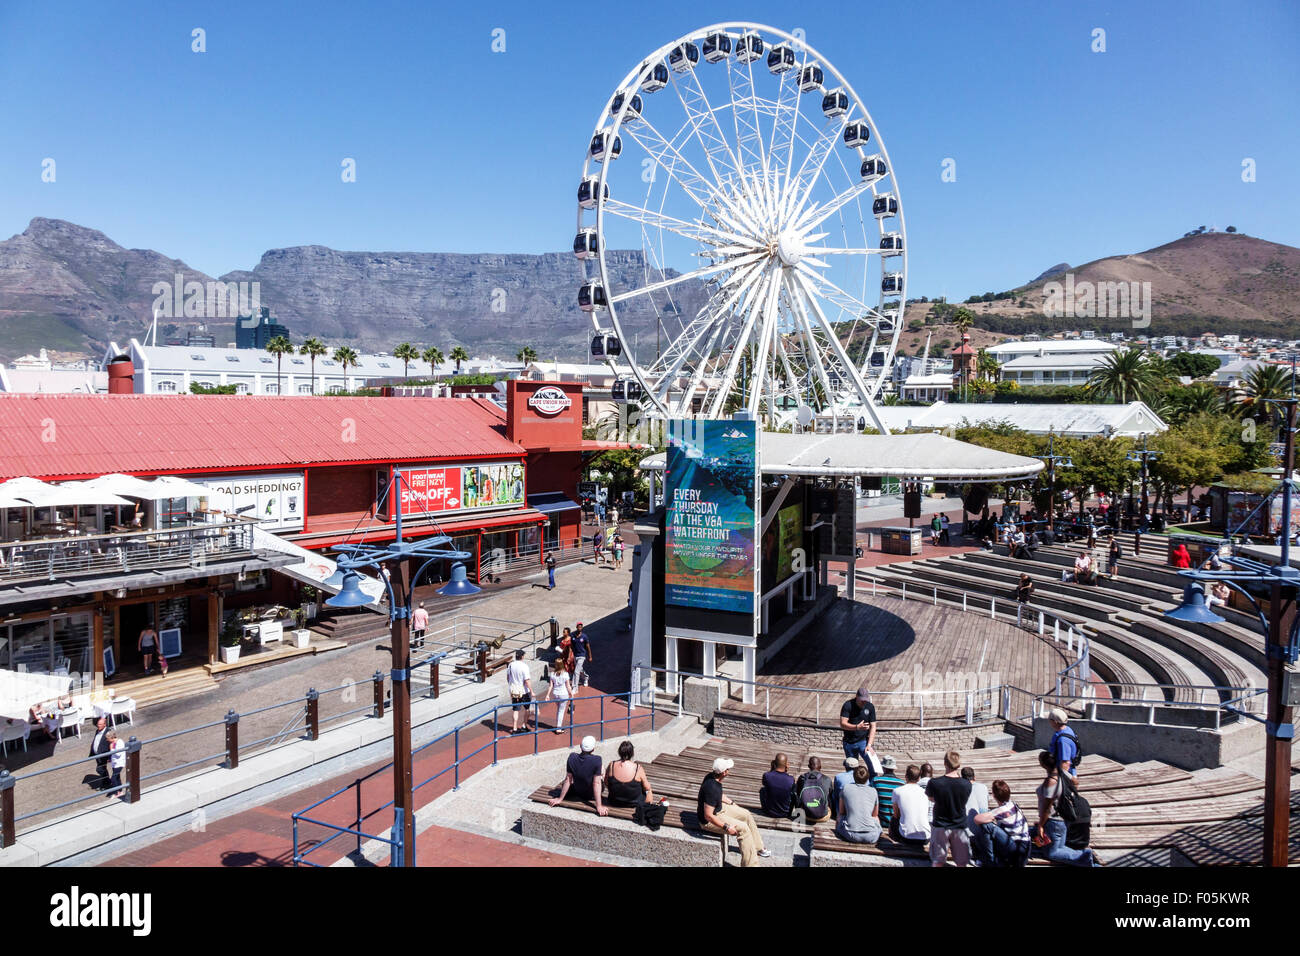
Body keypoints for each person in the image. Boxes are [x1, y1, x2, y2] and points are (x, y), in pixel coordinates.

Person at [698, 757, 771, 865]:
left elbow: (719, 795)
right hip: (710, 820)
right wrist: (726, 827)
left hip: (719, 809)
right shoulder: (712, 788)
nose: (729, 771)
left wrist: (732, 803)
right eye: (728, 769)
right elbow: (708, 816)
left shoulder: (711, 777)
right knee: (743, 829)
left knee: (746, 814)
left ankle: (758, 847)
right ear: (723, 772)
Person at [1032, 752, 1096, 866]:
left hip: (1053, 822)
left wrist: (1041, 825)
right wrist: (1067, 796)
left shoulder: (1051, 781)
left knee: (1052, 852)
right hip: (1062, 820)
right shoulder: (1062, 773)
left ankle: (1083, 856)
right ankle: (1084, 855)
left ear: (1043, 765)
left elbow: (1047, 808)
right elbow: (1075, 782)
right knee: (1060, 847)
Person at [970, 779, 1032, 867]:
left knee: (986, 825)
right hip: (1025, 852)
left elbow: (976, 819)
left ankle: (989, 861)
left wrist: (989, 817)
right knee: (993, 827)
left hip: (1016, 852)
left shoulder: (1000, 811)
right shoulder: (1013, 805)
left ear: (994, 796)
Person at [926, 751, 973, 867]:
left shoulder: (934, 783)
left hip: (940, 825)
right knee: (962, 863)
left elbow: (931, 798)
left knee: (938, 861)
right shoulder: (967, 784)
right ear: (958, 764)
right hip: (960, 826)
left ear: (945, 763)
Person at [548, 735, 606, 815]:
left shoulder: (572, 757)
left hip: (578, 791)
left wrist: (560, 799)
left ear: (580, 746)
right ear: (593, 749)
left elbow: (568, 779)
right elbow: (596, 783)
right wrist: (599, 806)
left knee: (569, 779)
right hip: (591, 794)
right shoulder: (597, 760)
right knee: (602, 770)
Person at [836, 763, 882, 845]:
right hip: (871, 836)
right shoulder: (873, 791)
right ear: (867, 778)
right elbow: (875, 814)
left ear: (854, 776)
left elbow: (841, 811)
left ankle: (837, 833)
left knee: (839, 815)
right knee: (876, 818)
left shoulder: (846, 788)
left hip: (850, 834)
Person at [891, 764, 931, 847]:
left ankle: (894, 838)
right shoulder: (925, 793)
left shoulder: (897, 791)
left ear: (906, 777)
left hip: (906, 837)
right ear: (919, 778)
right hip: (925, 837)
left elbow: (896, 815)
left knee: (893, 819)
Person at [605, 740, 654, 807]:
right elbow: (646, 787)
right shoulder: (638, 768)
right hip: (634, 802)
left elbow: (606, 782)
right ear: (632, 753)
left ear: (619, 752)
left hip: (614, 801)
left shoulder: (611, 765)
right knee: (649, 789)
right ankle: (648, 806)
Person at [839, 685, 877, 761]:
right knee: (852, 767)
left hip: (864, 742)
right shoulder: (848, 705)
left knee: (873, 765)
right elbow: (842, 724)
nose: (864, 702)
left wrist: (869, 745)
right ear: (856, 697)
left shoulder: (870, 707)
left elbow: (873, 726)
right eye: (862, 700)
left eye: (865, 700)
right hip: (849, 742)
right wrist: (857, 727)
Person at [871, 755, 905, 831]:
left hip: (880, 821)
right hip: (895, 822)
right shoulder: (902, 784)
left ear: (883, 768)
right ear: (893, 769)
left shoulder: (876, 781)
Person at [795, 756, 832, 822]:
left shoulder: (802, 778)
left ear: (809, 766)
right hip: (822, 816)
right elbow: (830, 798)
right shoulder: (827, 779)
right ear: (820, 767)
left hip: (805, 815)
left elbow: (797, 795)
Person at [759, 753, 796, 818]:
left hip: (769, 812)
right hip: (785, 813)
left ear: (774, 763)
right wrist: (786, 770)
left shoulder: (766, 775)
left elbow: (766, 783)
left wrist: (772, 769)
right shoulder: (791, 779)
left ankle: (766, 808)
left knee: (762, 790)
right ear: (786, 765)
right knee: (793, 792)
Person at [1048, 707, 1080, 781]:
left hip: (1065, 775)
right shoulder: (1067, 729)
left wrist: (1055, 778)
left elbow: (1065, 762)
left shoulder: (1063, 740)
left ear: (1055, 722)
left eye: (1050, 720)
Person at [505, 649, 533, 734]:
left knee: (515, 710)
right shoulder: (524, 666)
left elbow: (508, 677)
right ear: (522, 656)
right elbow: (527, 681)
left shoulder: (511, 665)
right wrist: (532, 691)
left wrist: (511, 685)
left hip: (514, 690)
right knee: (527, 709)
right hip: (524, 691)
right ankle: (524, 725)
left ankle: (514, 728)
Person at [545, 659, 573, 733]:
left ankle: (558, 725)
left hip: (555, 694)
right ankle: (558, 728)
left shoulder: (552, 674)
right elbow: (568, 686)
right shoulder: (565, 674)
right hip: (563, 694)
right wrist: (571, 694)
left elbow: (550, 686)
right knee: (561, 711)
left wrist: (547, 695)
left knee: (559, 710)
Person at [962, 766, 989, 836]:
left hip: (968, 831)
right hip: (985, 827)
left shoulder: (960, 790)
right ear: (974, 777)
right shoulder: (983, 787)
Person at [89, 716, 111, 791]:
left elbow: (111, 744)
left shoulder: (108, 732)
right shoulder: (97, 731)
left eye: (100, 724)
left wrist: (109, 756)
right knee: (102, 769)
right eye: (98, 724)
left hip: (103, 755)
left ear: (104, 724)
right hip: (97, 755)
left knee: (100, 769)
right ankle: (106, 783)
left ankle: (107, 783)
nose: (98, 726)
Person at [105, 730, 126, 798]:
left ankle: (117, 792)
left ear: (111, 737)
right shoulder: (113, 743)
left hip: (119, 763)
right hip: (115, 763)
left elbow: (118, 754)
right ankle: (120, 791)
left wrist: (111, 749)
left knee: (113, 778)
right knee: (117, 777)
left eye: (107, 739)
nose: (107, 740)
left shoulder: (119, 742)